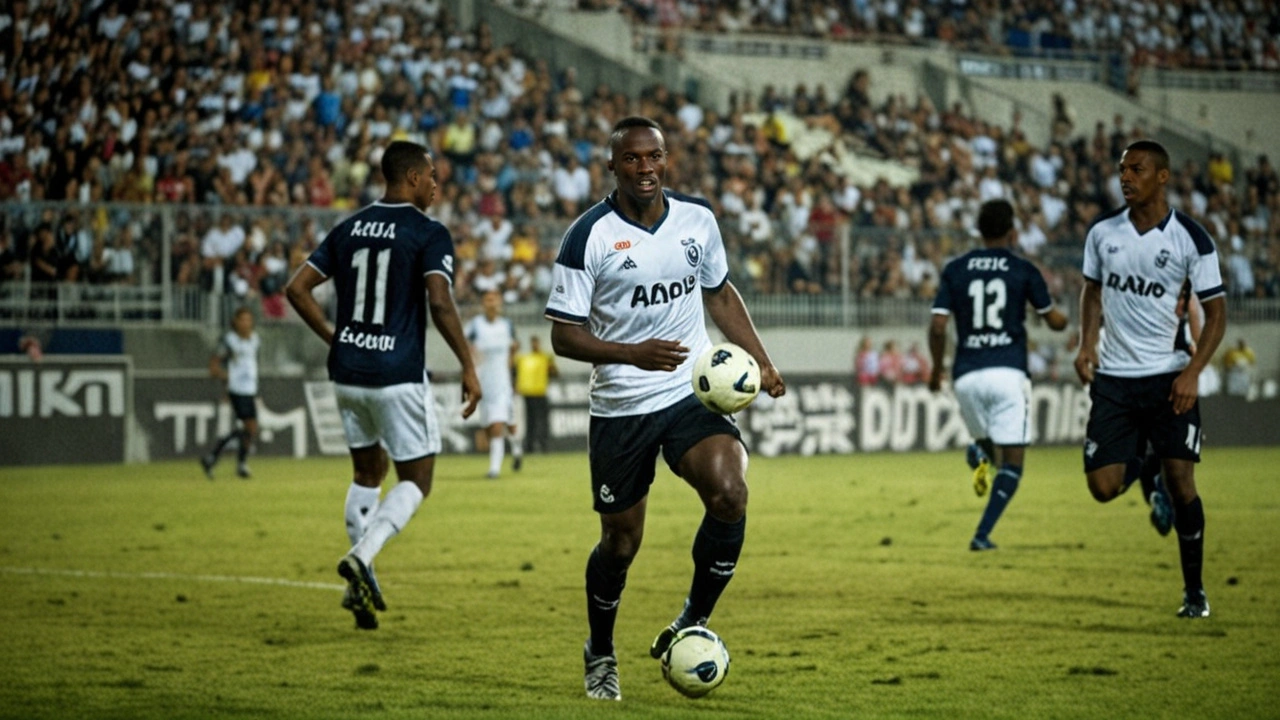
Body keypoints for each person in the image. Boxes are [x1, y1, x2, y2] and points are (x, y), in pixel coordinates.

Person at [544, 116, 786, 702]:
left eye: (653, 157)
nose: (645, 169)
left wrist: (762, 360)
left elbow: (720, 293)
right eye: (632, 160)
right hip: (623, 405)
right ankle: (600, 650)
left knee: (730, 492)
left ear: (666, 159)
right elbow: (563, 337)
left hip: (689, 390)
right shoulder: (588, 236)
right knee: (621, 544)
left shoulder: (697, 218)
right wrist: (633, 352)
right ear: (613, 166)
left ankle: (691, 620)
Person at [285, 140, 482, 631]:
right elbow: (439, 302)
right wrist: (468, 365)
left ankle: (361, 583)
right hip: (395, 372)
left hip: (347, 370)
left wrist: (336, 338)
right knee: (416, 479)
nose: (437, 186)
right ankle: (362, 555)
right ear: (412, 177)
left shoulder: (348, 226)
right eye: (433, 176)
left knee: (366, 474)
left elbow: (296, 288)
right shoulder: (427, 232)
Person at [1074, 140, 1226, 620]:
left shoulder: (1192, 239)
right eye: (1122, 170)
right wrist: (1086, 344)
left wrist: (1193, 371)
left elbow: (1218, 313)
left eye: (1136, 170)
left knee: (1182, 484)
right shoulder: (1102, 233)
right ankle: (1144, 459)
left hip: (1167, 376)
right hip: (1115, 379)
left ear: (1162, 176)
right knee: (1102, 487)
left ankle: (1195, 592)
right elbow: (1091, 291)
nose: (1125, 178)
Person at [927, 199, 1068, 551]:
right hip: (1008, 372)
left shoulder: (956, 268)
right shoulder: (1023, 269)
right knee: (1013, 465)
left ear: (979, 230)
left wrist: (936, 369)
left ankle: (980, 452)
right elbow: (1054, 321)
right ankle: (982, 535)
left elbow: (939, 325)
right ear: (1012, 232)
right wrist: (1058, 317)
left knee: (991, 448)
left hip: (966, 376)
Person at [200, 306, 262, 480]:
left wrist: (257, 390)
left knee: (249, 428)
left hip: (250, 389)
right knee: (247, 427)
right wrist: (226, 377)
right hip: (237, 389)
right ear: (235, 321)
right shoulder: (229, 340)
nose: (246, 323)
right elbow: (214, 365)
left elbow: (253, 365)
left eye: (249, 319)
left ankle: (217, 459)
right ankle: (232, 461)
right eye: (242, 319)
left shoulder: (255, 340)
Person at [466, 289, 522, 478]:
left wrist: (511, 370)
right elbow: (465, 348)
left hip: (502, 382)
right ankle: (517, 449)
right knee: (493, 426)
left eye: (495, 299)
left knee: (499, 424)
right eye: (488, 300)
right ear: (483, 304)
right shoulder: (475, 326)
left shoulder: (507, 326)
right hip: (483, 383)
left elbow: (515, 347)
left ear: (499, 304)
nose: (491, 303)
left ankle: (494, 469)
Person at [514, 334, 559, 453]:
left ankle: (543, 445)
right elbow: (514, 369)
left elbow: (554, 373)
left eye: (536, 343)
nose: (535, 345)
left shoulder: (545, 357)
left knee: (541, 421)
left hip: (540, 393)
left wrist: (552, 363)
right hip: (528, 394)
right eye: (533, 343)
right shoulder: (525, 358)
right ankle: (529, 446)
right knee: (530, 422)